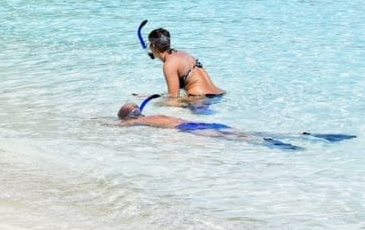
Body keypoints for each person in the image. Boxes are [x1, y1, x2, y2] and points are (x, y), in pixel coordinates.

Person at [116, 101, 302, 150]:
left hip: (188, 127)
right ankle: (295, 135)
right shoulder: (151, 116)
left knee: (231, 136)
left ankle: (269, 142)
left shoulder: (136, 121)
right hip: (193, 123)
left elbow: (119, 126)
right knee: (237, 133)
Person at [147, 27, 224, 100]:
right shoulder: (182, 54)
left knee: (159, 106)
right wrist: (154, 96)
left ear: (153, 46)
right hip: (218, 93)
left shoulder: (169, 64)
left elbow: (174, 98)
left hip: (200, 99)